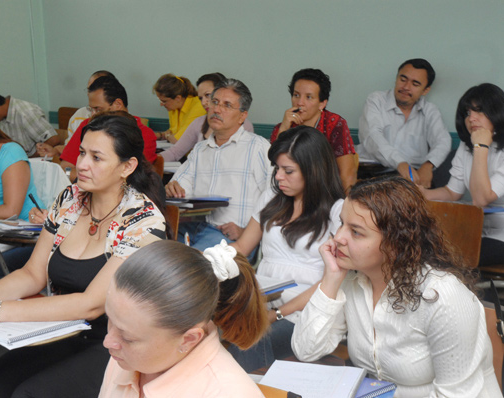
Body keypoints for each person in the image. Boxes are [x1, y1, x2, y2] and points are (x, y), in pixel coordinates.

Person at [0, 115, 166, 398]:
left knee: (29, 394)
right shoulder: (70, 199)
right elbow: (33, 274)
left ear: (127, 166)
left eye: (96, 157)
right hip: (61, 331)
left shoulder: (143, 220)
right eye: (82, 152)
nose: (81, 164)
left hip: (116, 345)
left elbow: (91, 305)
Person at [291, 175, 501, 397]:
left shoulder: (442, 296)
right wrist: (331, 278)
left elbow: (456, 394)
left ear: (395, 243)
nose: (338, 237)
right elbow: (306, 350)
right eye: (341, 223)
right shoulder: (352, 280)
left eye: (356, 232)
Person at [227, 126, 344, 372]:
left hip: (308, 310)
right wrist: (210, 261)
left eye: (288, 171)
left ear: (313, 171)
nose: (279, 177)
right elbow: (240, 247)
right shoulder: (273, 197)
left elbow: (331, 280)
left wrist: (277, 314)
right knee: (211, 324)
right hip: (263, 301)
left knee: (250, 338)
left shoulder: (337, 211)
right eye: (277, 169)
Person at [99, 240, 268, 398]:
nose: (108, 341)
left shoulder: (227, 392)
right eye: (110, 320)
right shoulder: (125, 357)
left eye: (128, 338)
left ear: (188, 339)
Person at [165, 78, 271, 252]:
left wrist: (247, 233)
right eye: (214, 102)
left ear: (243, 116)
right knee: (152, 245)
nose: (216, 109)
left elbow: (275, 200)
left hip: (230, 234)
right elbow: (180, 189)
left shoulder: (258, 148)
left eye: (227, 105)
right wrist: (173, 188)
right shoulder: (200, 149)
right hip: (196, 227)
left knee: (188, 265)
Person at [421, 83, 504, 266]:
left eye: (479, 111)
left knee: (454, 257)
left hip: (502, 235)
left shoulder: (479, 145)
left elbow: (482, 198)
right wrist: (421, 193)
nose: (471, 118)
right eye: (467, 112)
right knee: (425, 248)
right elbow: (453, 192)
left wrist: (481, 147)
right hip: (476, 228)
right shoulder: (467, 145)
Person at [357, 58, 452, 188]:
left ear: (425, 90)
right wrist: (400, 163)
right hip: (370, 171)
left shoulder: (430, 110)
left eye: (415, 83)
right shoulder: (376, 100)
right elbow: (373, 136)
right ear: (396, 78)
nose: (406, 87)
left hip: (411, 177)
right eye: (403, 79)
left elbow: (443, 141)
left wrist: (429, 165)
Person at [269, 68, 357, 191]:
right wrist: (284, 128)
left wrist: (343, 207)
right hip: (288, 194)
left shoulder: (335, 124)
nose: (300, 102)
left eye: (309, 97)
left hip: (326, 196)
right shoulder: (282, 127)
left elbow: (348, 174)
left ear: (322, 103)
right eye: (296, 95)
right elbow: (273, 170)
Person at [58, 77, 157, 182]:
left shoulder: (144, 134)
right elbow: (65, 168)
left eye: (98, 109)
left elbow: (132, 178)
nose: (93, 115)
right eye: (91, 109)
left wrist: (84, 176)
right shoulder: (88, 126)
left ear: (118, 104)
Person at [160, 73, 254, 162]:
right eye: (200, 98)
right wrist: (149, 162)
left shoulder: (244, 126)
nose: (203, 102)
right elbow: (175, 152)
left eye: (208, 95)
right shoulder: (199, 122)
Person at [0, 88, 60, 157]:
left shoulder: (26, 113)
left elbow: (54, 139)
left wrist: (30, 157)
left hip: (34, 163)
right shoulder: (1, 116)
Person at [152, 74, 206, 143]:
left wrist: (168, 136)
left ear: (178, 98)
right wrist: (159, 135)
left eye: (164, 101)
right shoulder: (174, 107)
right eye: (160, 100)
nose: (161, 104)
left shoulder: (198, 107)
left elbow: (178, 140)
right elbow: (171, 132)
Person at [66, 70, 115, 143]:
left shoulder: (121, 119)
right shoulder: (78, 116)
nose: (91, 94)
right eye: (90, 89)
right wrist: (56, 149)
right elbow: (69, 148)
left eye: (96, 89)